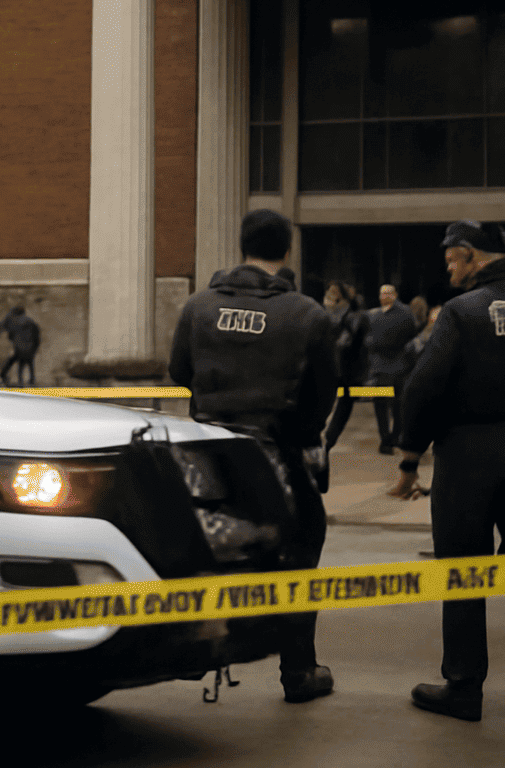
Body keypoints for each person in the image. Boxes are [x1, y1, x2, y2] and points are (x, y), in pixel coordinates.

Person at [388, 220, 505, 722]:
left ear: (473, 256)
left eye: (452, 259)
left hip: (468, 457)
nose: (448, 268)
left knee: (465, 571)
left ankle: (464, 687)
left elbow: (422, 389)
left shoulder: (461, 312)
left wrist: (410, 457)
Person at [168, 209, 338, 705]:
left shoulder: (198, 308)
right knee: (298, 558)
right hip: (277, 454)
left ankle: (196, 652)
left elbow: (180, 371)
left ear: (241, 246)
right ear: (287, 250)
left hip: (207, 457)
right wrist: (298, 434)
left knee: (202, 554)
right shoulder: (307, 313)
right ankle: (299, 672)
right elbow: (323, 393)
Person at [365, 283, 417, 454]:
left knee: (390, 406)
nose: (383, 296)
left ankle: (389, 439)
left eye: (387, 293)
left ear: (395, 294)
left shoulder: (401, 314)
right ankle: (390, 438)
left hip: (393, 367)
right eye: (381, 293)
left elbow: (406, 337)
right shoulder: (377, 314)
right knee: (390, 406)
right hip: (387, 367)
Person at [321, 281, 369, 451]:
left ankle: (329, 437)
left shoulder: (347, 313)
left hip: (343, 365)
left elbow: (347, 342)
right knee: (341, 401)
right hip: (341, 365)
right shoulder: (332, 312)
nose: (330, 295)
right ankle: (328, 437)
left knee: (341, 400)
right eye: (329, 291)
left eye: (333, 292)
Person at [0, 305, 42, 386]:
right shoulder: (31, 322)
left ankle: (16, 380)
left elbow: (8, 333)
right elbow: (37, 336)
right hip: (30, 348)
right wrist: (35, 348)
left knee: (18, 362)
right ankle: (31, 380)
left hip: (19, 349)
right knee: (29, 362)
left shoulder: (14, 322)